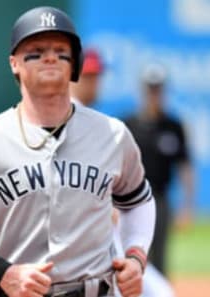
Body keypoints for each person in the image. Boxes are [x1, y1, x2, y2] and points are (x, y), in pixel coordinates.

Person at [0, 7, 156, 297]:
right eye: (35, 49)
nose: (50, 56)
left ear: (75, 63)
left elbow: (138, 200)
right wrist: (4, 272)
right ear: (14, 63)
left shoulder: (112, 135)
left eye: (61, 50)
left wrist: (136, 256)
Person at [72, 50, 175, 297]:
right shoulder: (68, 120)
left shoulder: (100, 125)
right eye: (89, 76)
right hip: (87, 235)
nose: (95, 83)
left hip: (107, 226)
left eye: (97, 76)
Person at [124, 63, 195, 277]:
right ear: (143, 90)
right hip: (131, 200)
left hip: (161, 199)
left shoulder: (173, 126)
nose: (154, 93)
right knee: (131, 254)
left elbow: (185, 167)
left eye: (158, 88)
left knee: (160, 256)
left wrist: (187, 205)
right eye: (150, 88)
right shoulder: (128, 125)